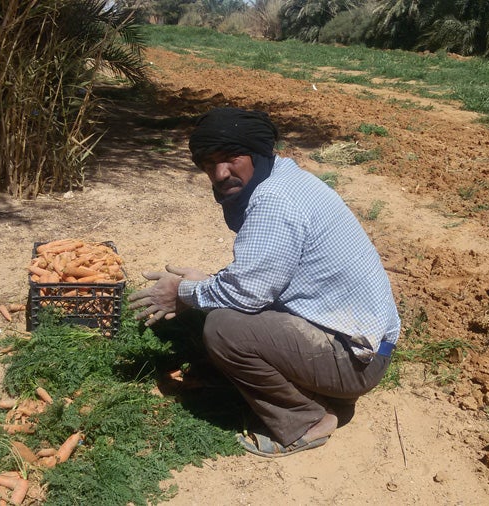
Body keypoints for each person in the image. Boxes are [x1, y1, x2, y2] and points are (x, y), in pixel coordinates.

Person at [127, 107, 399, 457]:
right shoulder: (287, 178)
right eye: (209, 163)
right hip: (366, 348)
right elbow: (265, 272)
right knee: (220, 305)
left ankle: (306, 420)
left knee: (224, 327)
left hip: (356, 363)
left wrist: (182, 292)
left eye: (230, 158)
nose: (220, 173)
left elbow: (248, 293)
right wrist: (205, 285)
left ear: (255, 153)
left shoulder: (273, 200)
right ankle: (310, 389)